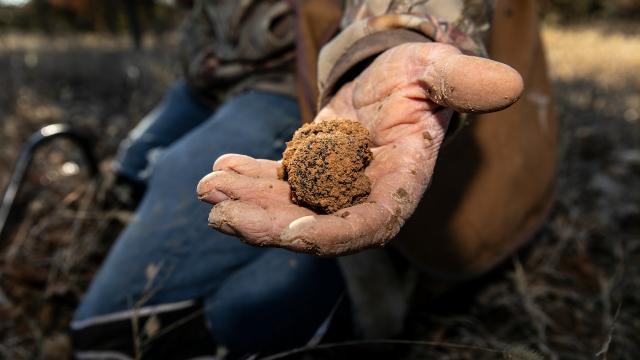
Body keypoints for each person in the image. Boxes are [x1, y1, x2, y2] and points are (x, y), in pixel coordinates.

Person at [71, 0, 557, 359]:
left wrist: (393, 36)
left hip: (308, 75)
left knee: (107, 335)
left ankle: (362, 300)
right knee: (133, 170)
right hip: (218, 76)